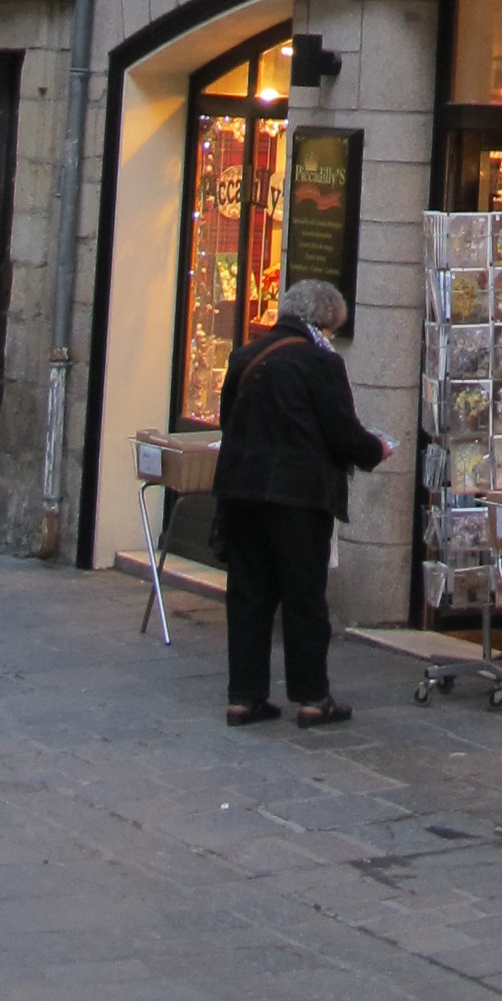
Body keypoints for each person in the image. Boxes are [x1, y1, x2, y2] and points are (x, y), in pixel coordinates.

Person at [213, 276, 386, 728]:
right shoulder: (320, 363)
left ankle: (244, 697)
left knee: (248, 594)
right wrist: (377, 450)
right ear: (324, 322)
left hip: (242, 490)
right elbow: (342, 432)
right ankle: (312, 697)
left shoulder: (245, 356)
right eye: (332, 329)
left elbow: (229, 420)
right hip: (298, 497)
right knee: (304, 596)